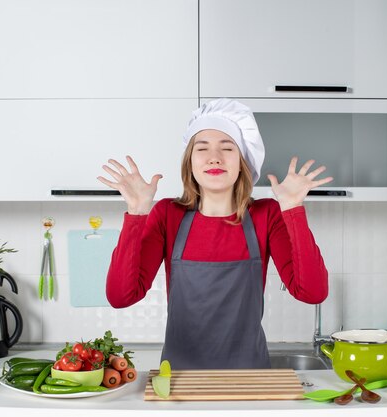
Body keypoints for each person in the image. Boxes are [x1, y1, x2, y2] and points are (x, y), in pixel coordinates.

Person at [97, 98, 332, 369]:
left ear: (243, 161)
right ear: (190, 161)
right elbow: (120, 296)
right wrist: (137, 212)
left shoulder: (266, 215)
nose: (214, 157)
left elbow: (312, 292)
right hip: (181, 379)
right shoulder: (167, 215)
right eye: (203, 147)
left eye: (227, 147)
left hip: (250, 378)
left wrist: (292, 209)